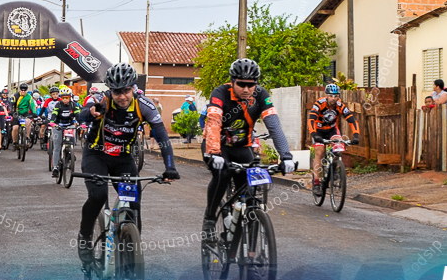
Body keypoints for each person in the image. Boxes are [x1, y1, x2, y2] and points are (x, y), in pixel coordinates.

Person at [76, 63, 179, 265]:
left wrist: (170, 167)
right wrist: (91, 112)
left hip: (123, 159)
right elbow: (82, 113)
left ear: (133, 88)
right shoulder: (101, 99)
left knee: (134, 203)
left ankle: (132, 248)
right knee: (98, 196)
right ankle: (84, 237)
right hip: (96, 156)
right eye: (117, 92)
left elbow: (162, 136)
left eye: (126, 91)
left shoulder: (143, 105)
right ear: (110, 91)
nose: (122, 96)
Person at [202, 58, 296, 237]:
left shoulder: (261, 95)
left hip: (242, 146)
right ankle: (209, 217)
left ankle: (245, 228)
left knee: (251, 188)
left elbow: (274, 126)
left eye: (251, 85)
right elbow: (213, 123)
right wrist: (213, 153)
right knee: (222, 174)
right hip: (219, 147)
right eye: (241, 84)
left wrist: (286, 156)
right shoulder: (220, 93)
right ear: (232, 81)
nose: (246, 89)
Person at [307, 83, 360, 195]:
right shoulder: (319, 104)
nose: (334, 98)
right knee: (320, 152)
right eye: (331, 96)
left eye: (336, 96)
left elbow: (352, 120)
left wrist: (356, 135)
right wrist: (314, 134)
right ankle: (316, 183)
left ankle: (334, 167)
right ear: (326, 95)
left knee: (339, 147)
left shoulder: (340, 106)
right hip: (318, 131)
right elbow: (311, 119)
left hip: (332, 130)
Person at [49, 87, 81, 178]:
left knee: (73, 139)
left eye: (67, 98)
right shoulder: (58, 105)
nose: (65, 100)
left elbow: (78, 114)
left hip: (69, 125)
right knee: (57, 147)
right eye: (63, 98)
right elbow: (54, 114)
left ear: (70, 97)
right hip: (58, 125)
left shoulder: (73, 105)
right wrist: (52, 122)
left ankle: (70, 152)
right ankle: (55, 167)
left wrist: (82, 124)